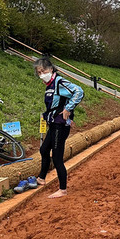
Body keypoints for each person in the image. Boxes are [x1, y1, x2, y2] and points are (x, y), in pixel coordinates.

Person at [33, 57, 84, 198]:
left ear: (51, 69)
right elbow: (56, 104)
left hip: (60, 126)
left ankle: (63, 189)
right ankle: (41, 178)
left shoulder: (59, 82)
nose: (42, 74)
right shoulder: (49, 85)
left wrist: (68, 109)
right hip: (54, 123)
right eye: (39, 72)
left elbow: (79, 92)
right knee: (44, 149)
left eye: (43, 71)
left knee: (57, 157)